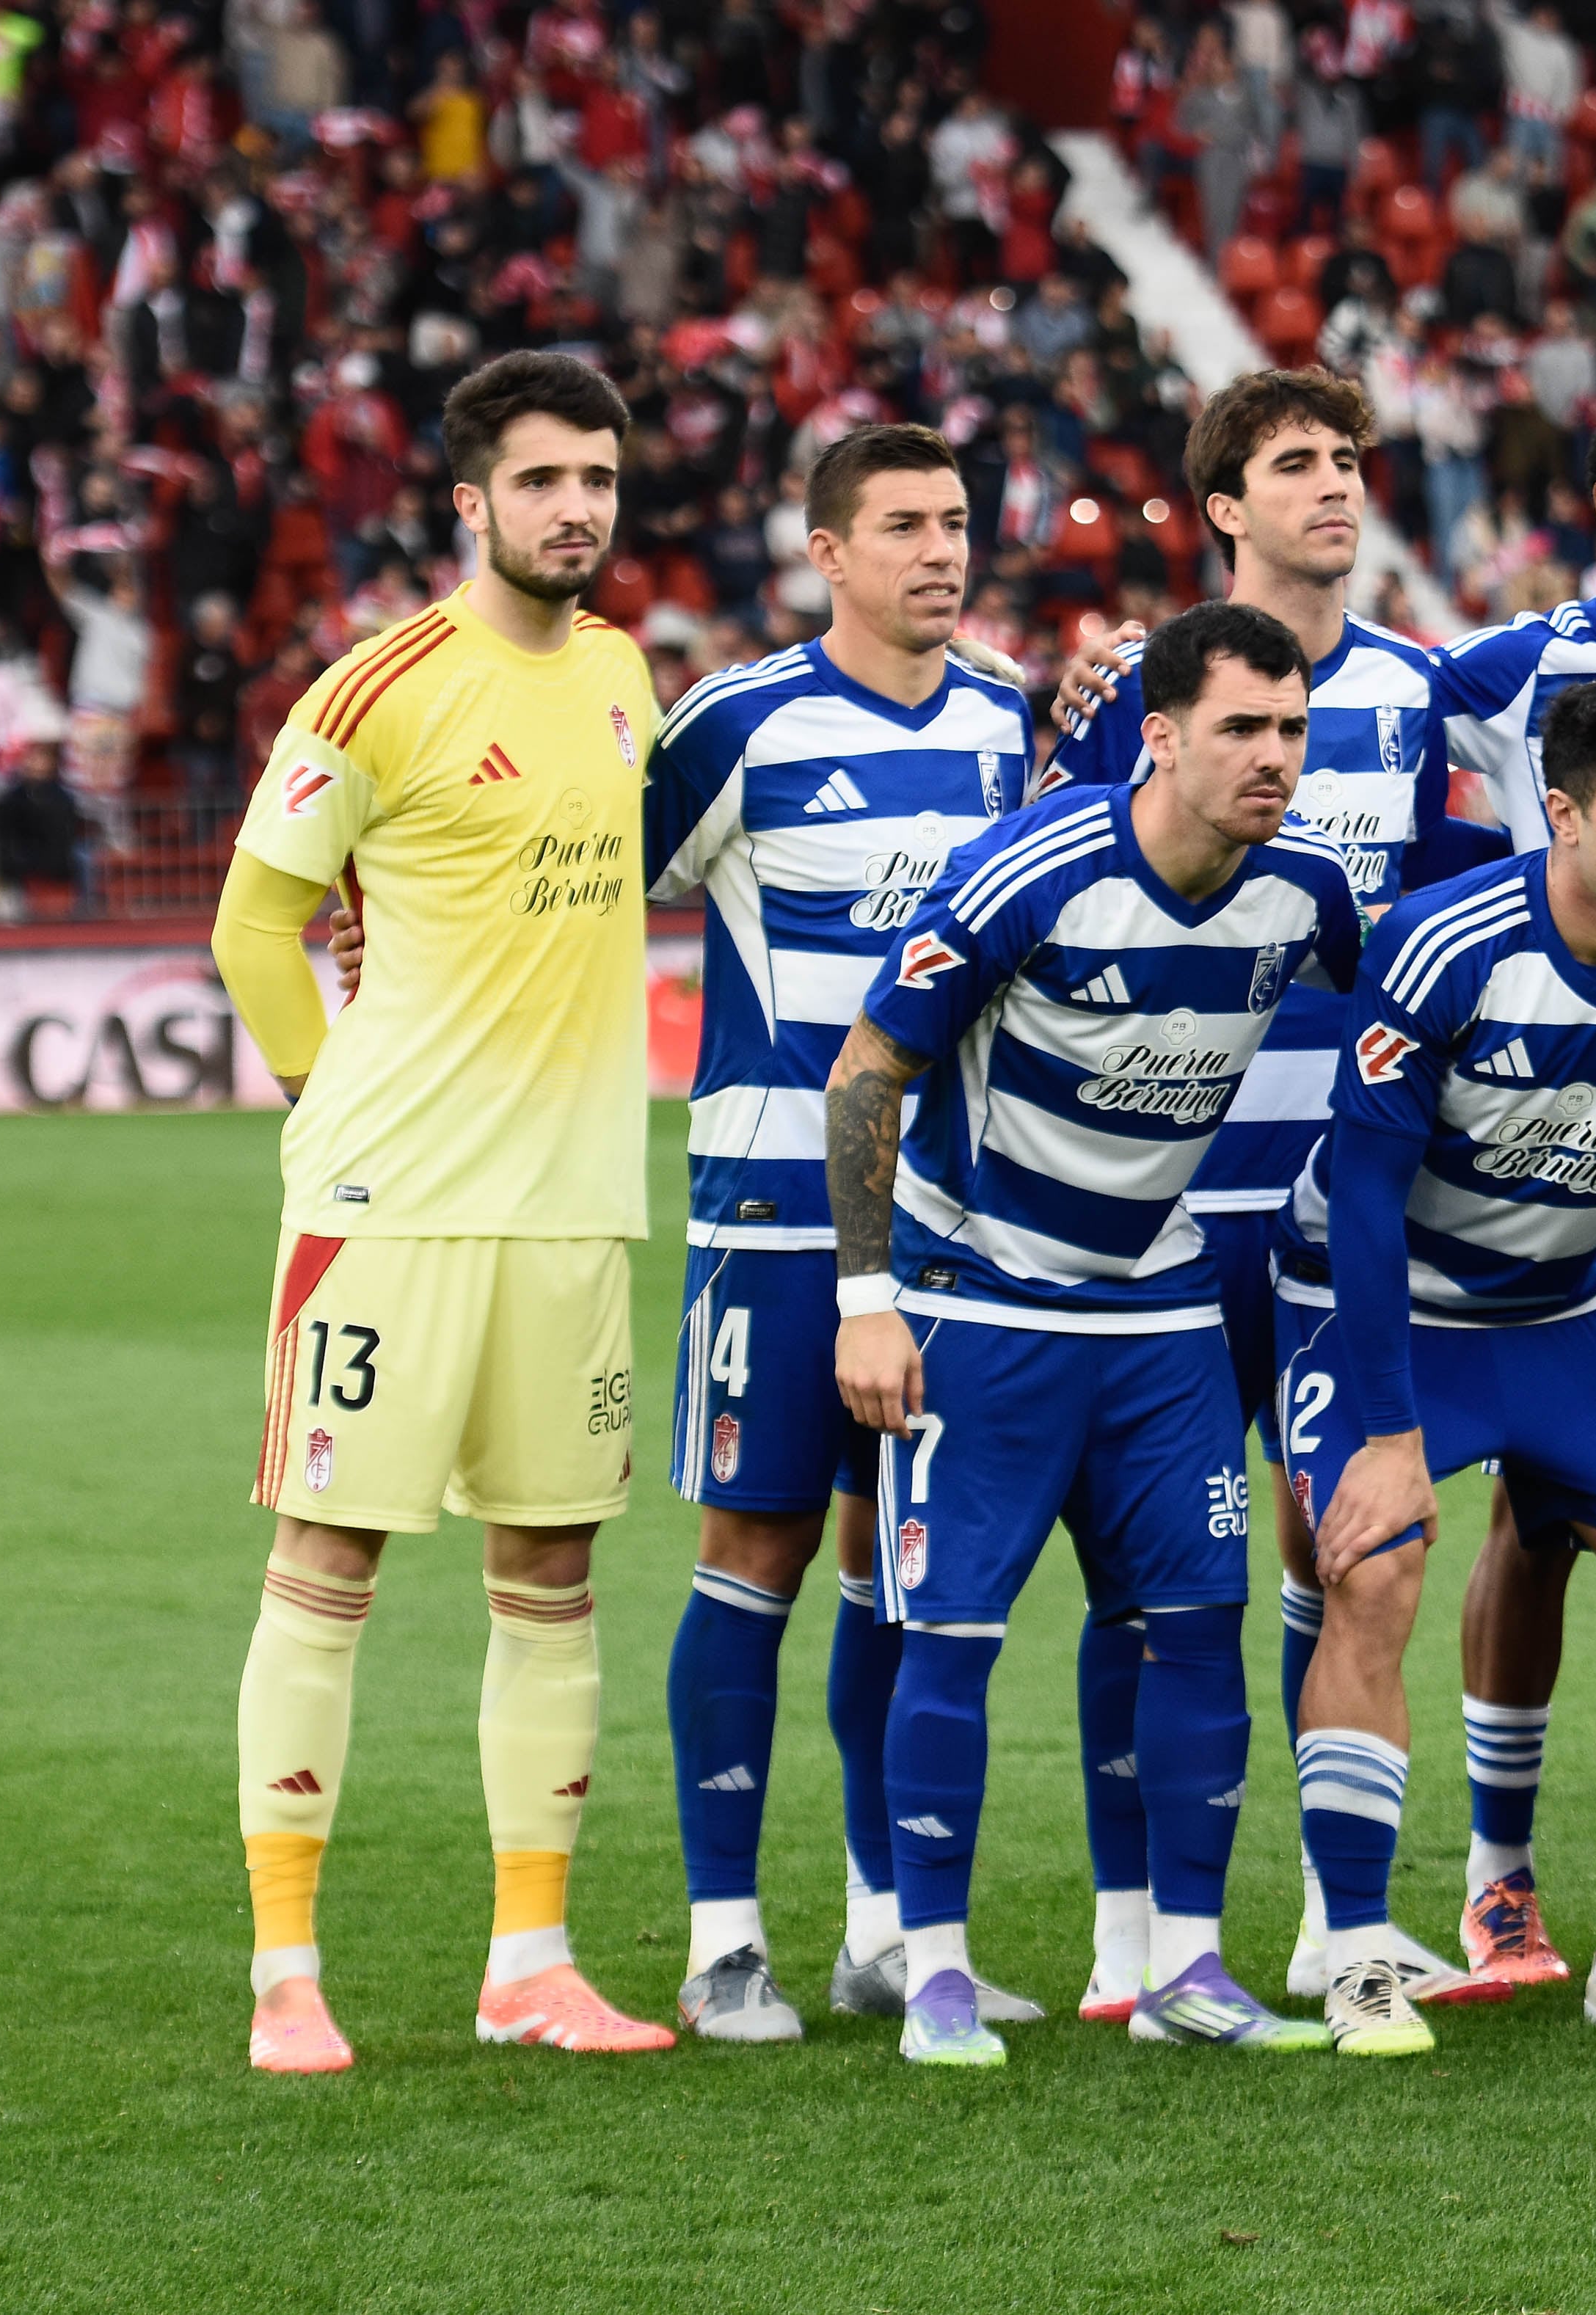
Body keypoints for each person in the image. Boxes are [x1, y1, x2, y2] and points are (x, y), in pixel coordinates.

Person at [210, 351, 670, 2074]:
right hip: (390, 1200)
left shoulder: (625, 677)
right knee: (329, 1562)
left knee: (550, 1573)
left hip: (569, 1209)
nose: (578, 510)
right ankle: (284, 1972)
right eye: (545, 481)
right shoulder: (374, 688)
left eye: (600, 482)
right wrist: (317, 1095)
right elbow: (257, 928)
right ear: (471, 501)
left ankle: (530, 1965)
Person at [821, 601, 1360, 2067]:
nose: (1275, 758)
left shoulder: (1306, 894)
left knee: (1198, 1624)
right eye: (1243, 728)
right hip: (980, 1305)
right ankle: (934, 1971)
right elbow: (868, 1072)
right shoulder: (1032, 873)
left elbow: (1400, 1007)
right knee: (953, 1633)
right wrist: (868, 1302)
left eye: (1294, 730)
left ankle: (1186, 1967)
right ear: (1165, 736)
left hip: (1165, 1308)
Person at [1046, 369, 1501, 2016]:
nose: (1334, 485)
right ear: (1224, 507)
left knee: (1345, 1544)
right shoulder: (1142, 688)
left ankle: (1336, 1919)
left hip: (1340, 1199)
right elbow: (1047, 896)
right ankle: (1125, 1938)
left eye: (1349, 460)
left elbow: (1463, 902)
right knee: (1147, 1573)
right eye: (1293, 463)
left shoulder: (1423, 689)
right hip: (1160, 1194)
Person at [1279, 677, 1596, 2052]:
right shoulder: (1448, 946)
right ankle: (1362, 1951)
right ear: (1560, 813)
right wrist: (1384, 1432)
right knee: (1370, 1567)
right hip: (1374, 1307)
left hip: (1556, 1318)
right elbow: (1365, 1199)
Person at [635, 423, 1036, 2041]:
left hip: (942, 1226)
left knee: (902, 1562)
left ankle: (885, 1922)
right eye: (901, 527)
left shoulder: (1009, 719)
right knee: (761, 1551)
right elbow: (597, 887)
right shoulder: (736, 721)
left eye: (953, 523)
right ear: (827, 551)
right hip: (770, 1213)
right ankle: (723, 1937)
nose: (939, 551)